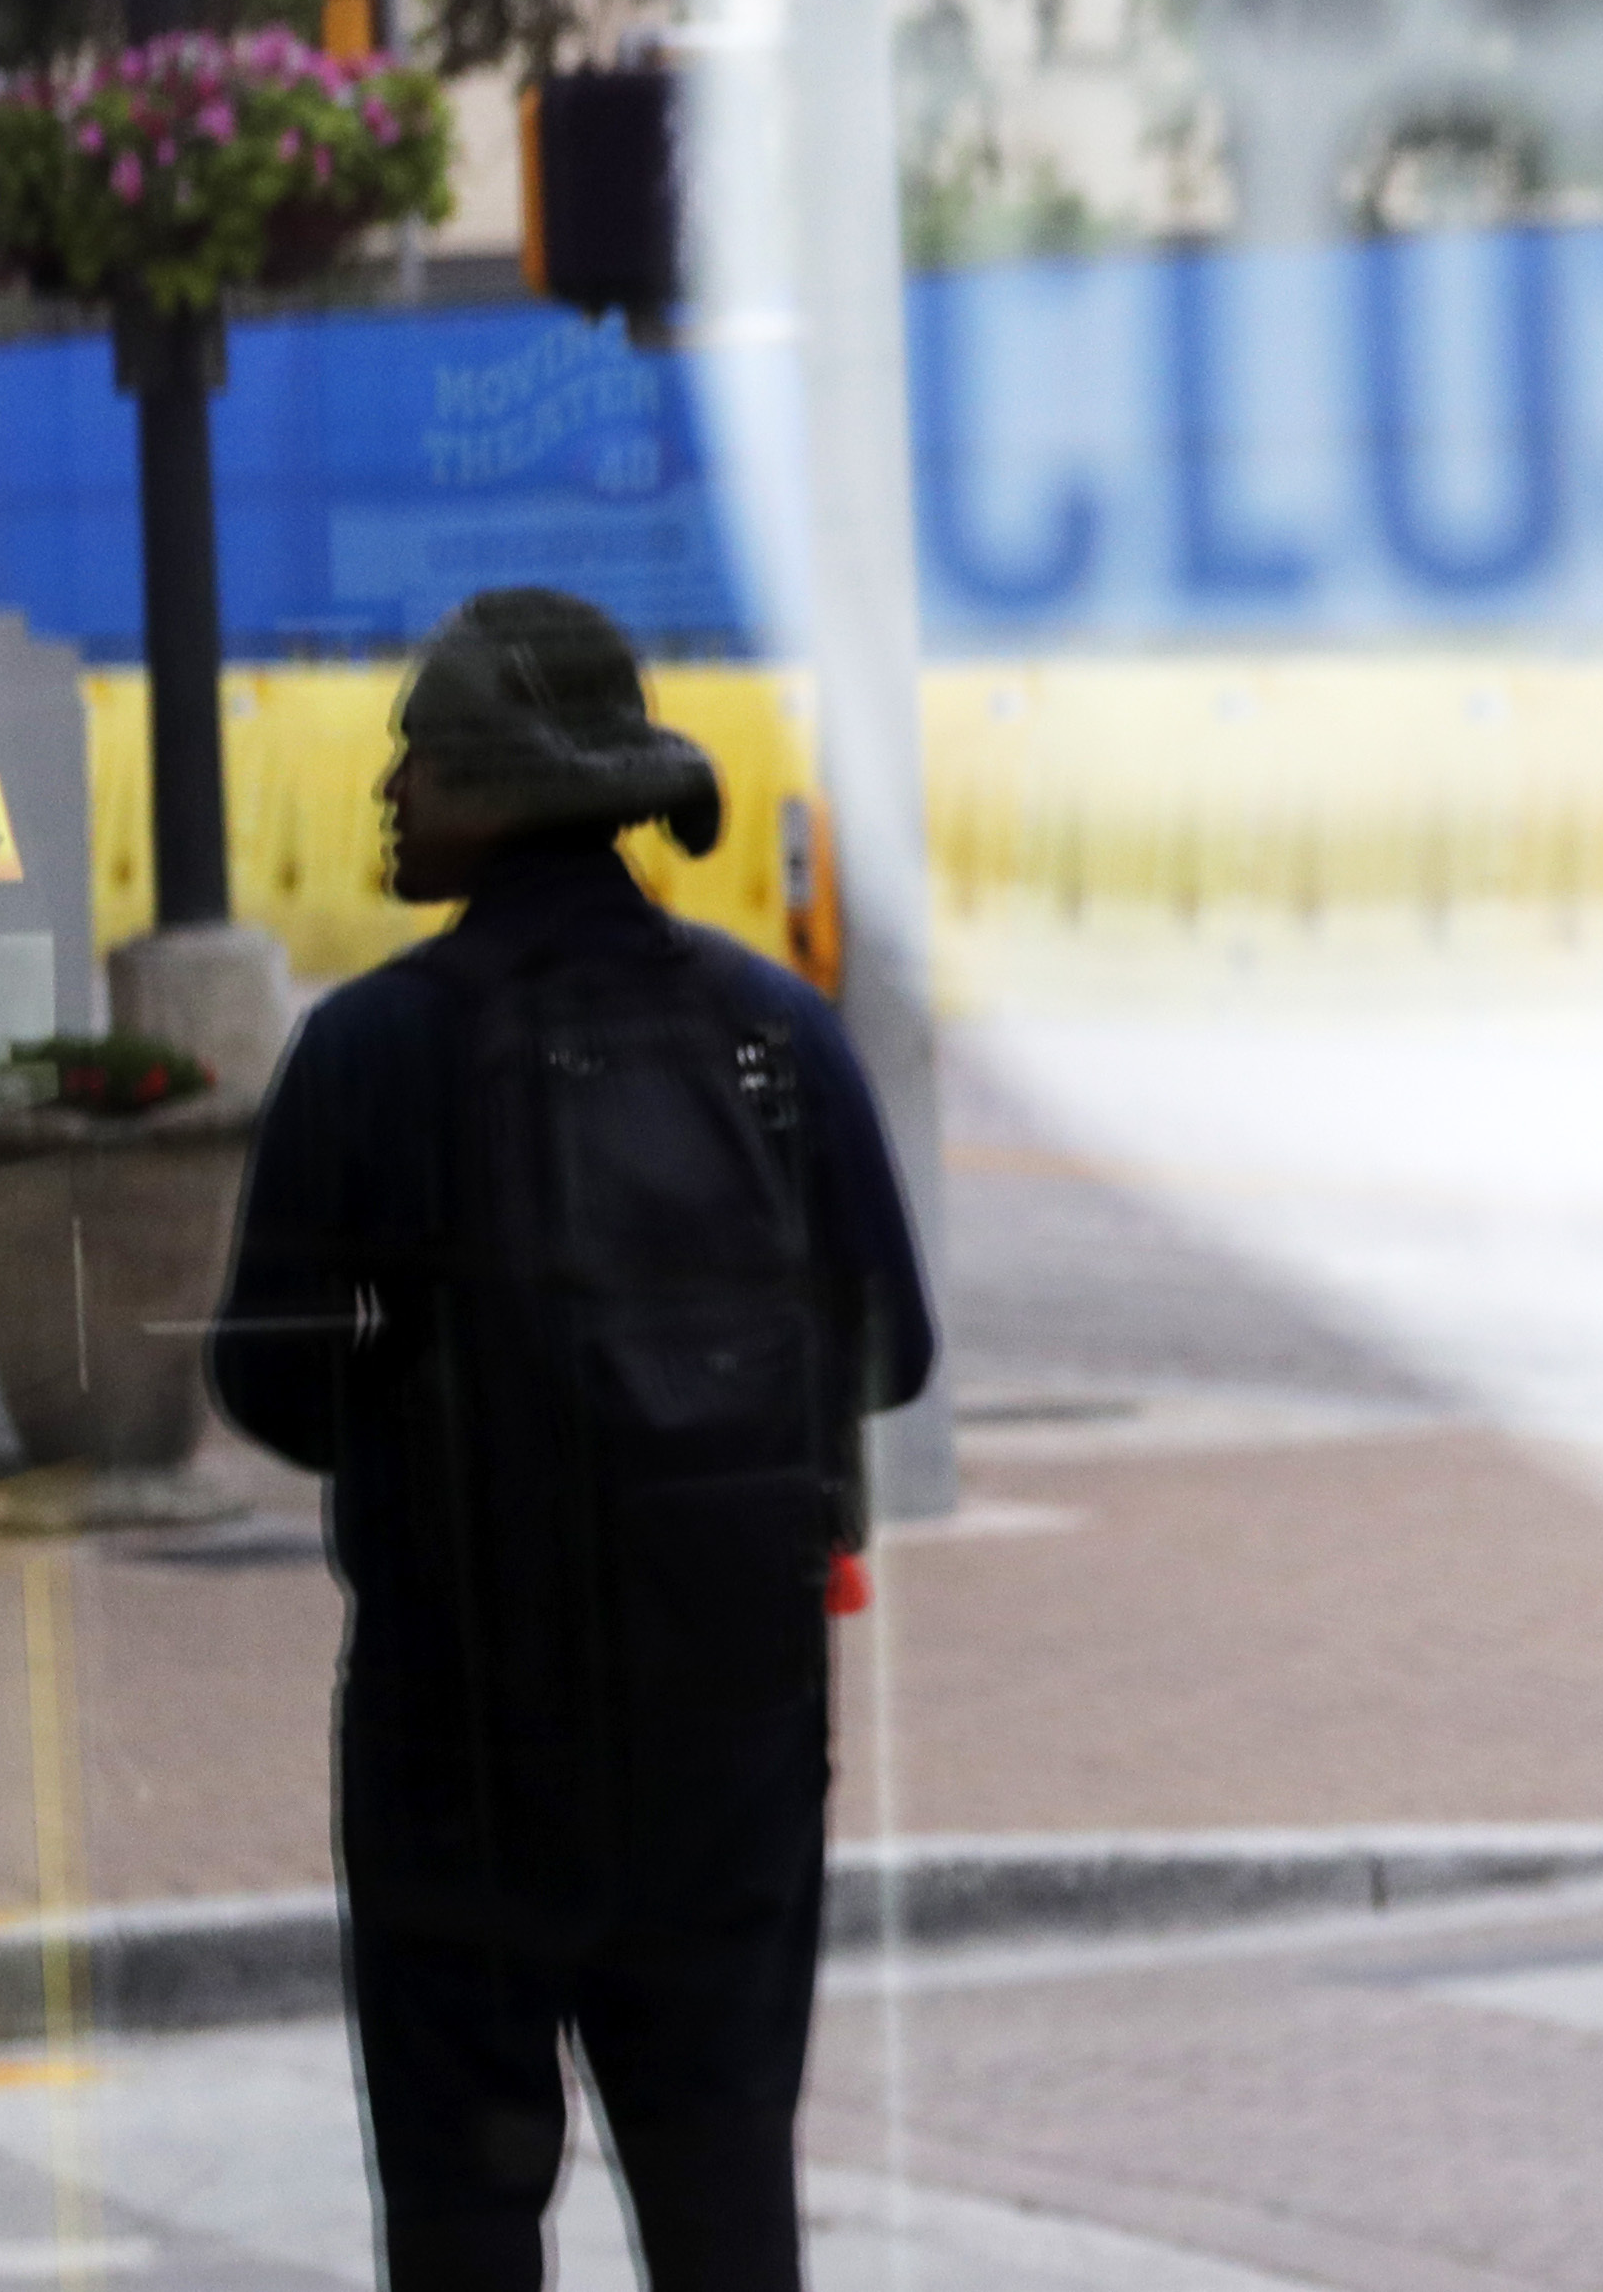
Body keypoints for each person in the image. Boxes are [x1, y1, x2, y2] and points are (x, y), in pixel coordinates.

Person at [211, 589, 934, 2292]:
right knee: (720, 2189)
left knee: (467, 2212)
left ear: (495, 788)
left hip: (458, 1742)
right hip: (731, 1742)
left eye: (416, 759)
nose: (387, 792)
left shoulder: (375, 1051)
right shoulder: (774, 1038)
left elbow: (273, 1386)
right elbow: (887, 1354)